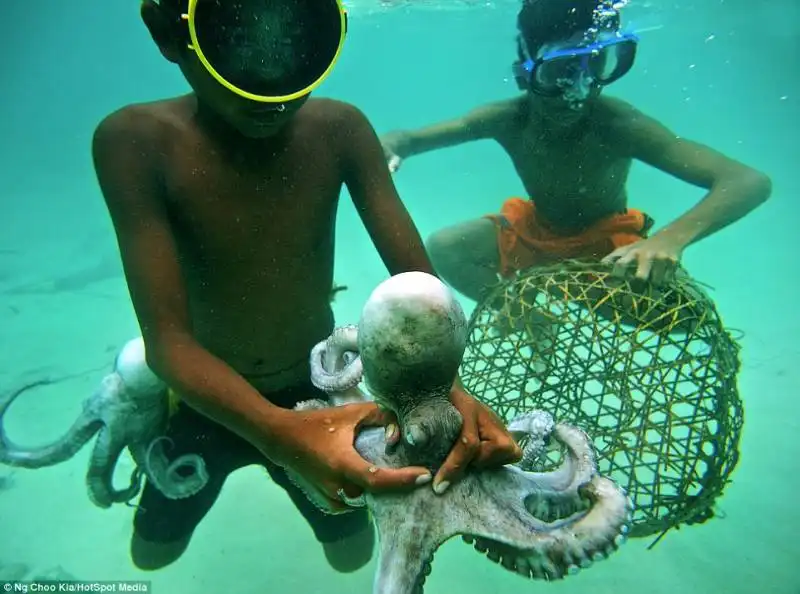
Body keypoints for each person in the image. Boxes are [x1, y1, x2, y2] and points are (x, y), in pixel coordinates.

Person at [92, 0, 521, 574]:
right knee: (150, 557)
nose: (273, 84)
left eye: (295, 41)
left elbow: (418, 288)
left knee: (352, 558)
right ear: (169, 31)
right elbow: (167, 340)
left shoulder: (339, 128)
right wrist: (275, 432)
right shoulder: (135, 141)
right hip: (204, 398)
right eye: (241, 42)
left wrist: (443, 388)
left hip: (316, 386)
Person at [380, 0, 771, 302]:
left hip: (606, 252)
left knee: (681, 315)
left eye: (597, 67)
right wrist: (390, 147)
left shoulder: (617, 123)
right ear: (525, 72)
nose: (579, 91)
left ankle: (550, 300)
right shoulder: (506, 118)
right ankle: (522, 312)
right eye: (560, 71)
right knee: (446, 248)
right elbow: (408, 139)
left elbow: (747, 181)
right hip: (534, 235)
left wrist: (667, 240)